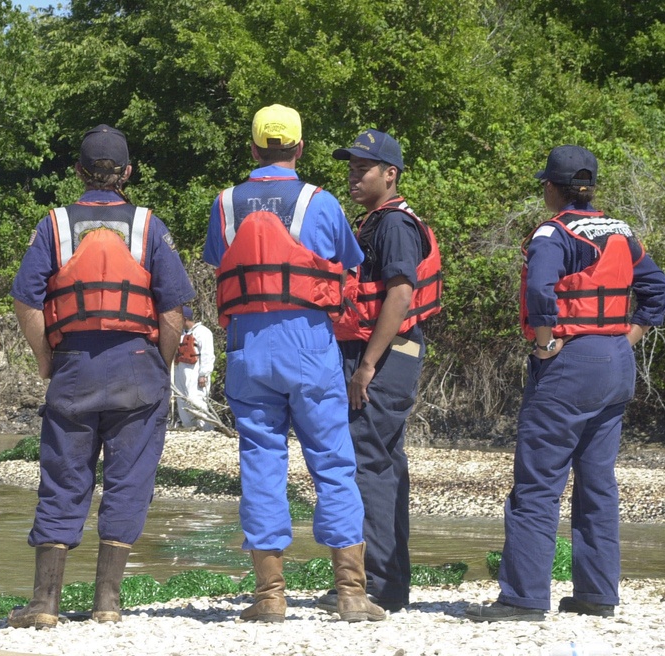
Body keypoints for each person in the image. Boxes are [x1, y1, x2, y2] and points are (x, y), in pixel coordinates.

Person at [466, 145, 665, 622]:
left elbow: (539, 289)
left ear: (553, 188)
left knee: (536, 486)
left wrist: (544, 342)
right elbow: (657, 290)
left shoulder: (553, 233)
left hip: (571, 360)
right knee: (598, 483)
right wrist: (629, 336)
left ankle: (523, 597)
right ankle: (597, 594)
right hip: (616, 360)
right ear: (590, 186)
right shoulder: (622, 231)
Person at [203, 104, 384, 623]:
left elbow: (221, 260)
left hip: (248, 348)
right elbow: (348, 261)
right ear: (299, 149)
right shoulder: (321, 203)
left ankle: (269, 598)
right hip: (310, 348)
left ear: (253, 149)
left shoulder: (225, 203)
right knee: (333, 464)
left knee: (261, 462)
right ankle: (350, 593)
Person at [9, 124, 194, 629]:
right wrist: (162, 360)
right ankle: (107, 604)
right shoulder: (149, 226)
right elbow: (174, 307)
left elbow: (27, 298)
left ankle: (44, 605)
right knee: (128, 481)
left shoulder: (54, 226)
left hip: (74, 367)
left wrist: (46, 358)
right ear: (128, 173)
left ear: (77, 172)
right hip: (139, 366)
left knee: (64, 480)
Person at [313, 130, 442, 613]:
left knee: (367, 463)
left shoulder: (391, 225)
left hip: (385, 355)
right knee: (383, 463)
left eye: (363, 167)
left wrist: (366, 365)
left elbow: (401, 293)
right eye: (350, 165)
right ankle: (387, 582)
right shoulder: (375, 221)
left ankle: (375, 584)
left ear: (390, 174)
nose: (353, 173)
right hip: (385, 353)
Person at [172, 305, 216, 430]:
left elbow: (208, 354)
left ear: (185, 318)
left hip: (195, 372)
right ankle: (189, 428)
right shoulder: (178, 334)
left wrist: (204, 374)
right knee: (182, 400)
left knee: (196, 399)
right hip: (180, 371)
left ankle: (205, 428)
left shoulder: (203, 332)